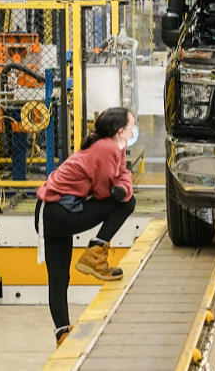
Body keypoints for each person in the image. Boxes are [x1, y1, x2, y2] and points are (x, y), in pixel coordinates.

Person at [36, 107, 140, 344]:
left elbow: (122, 176)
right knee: (127, 203)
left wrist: (123, 185)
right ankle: (95, 252)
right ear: (121, 130)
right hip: (60, 210)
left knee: (59, 278)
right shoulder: (107, 148)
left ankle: (62, 332)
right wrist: (123, 188)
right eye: (132, 125)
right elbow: (105, 191)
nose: (135, 129)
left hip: (50, 211)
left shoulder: (115, 147)